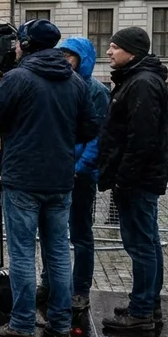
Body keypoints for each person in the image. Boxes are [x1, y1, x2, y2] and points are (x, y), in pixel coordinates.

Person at [0, 19, 99, 337]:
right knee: (58, 253)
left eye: (17, 42)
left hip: (23, 180)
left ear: (25, 45)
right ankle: (61, 325)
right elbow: (89, 128)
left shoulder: (18, 77)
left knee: (23, 254)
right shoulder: (74, 81)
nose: (14, 47)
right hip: (60, 180)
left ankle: (23, 325)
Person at [96, 26, 168, 332]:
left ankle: (141, 311)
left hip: (138, 181)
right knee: (147, 242)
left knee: (141, 245)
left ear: (132, 52)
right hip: (139, 178)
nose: (109, 51)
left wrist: (123, 180)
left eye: (115, 47)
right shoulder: (137, 79)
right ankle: (148, 304)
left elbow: (141, 139)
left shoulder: (142, 83)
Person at [38, 37, 111, 313]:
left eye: (71, 55)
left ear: (83, 59)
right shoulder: (59, 84)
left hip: (80, 174)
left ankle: (80, 289)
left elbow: (98, 135)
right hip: (56, 170)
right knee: (49, 233)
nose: (65, 60)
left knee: (80, 235)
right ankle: (49, 283)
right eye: (63, 54)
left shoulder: (96, 90)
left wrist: (81, 168)